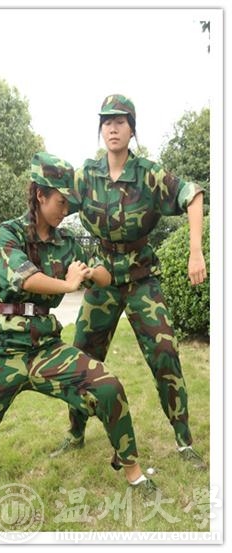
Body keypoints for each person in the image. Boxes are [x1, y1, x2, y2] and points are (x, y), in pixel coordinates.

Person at [0, 152, 156, 495]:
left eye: (70, 203)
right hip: (4, 350)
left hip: (45, 347)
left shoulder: (66, 242)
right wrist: (68, 285)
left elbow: (102, 274)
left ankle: (133, 472)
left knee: (108, 387)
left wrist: (92, 272)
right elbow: (26, 278)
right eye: (61, 201)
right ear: (40, 195)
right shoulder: (9, 233)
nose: (65, 209)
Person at [51, 94, 208, 470]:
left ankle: (184, 441)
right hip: (102, 278)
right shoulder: (87, 176)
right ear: (100, 129)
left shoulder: (149, 174)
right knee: (82, 355)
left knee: (165, 352)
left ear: (132, 129)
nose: (113, 128)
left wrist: (196, 251)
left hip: (142, 279)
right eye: (107, 122)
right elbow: (53, 205)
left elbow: (193, 194)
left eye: (120, 121)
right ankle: (75, 432)